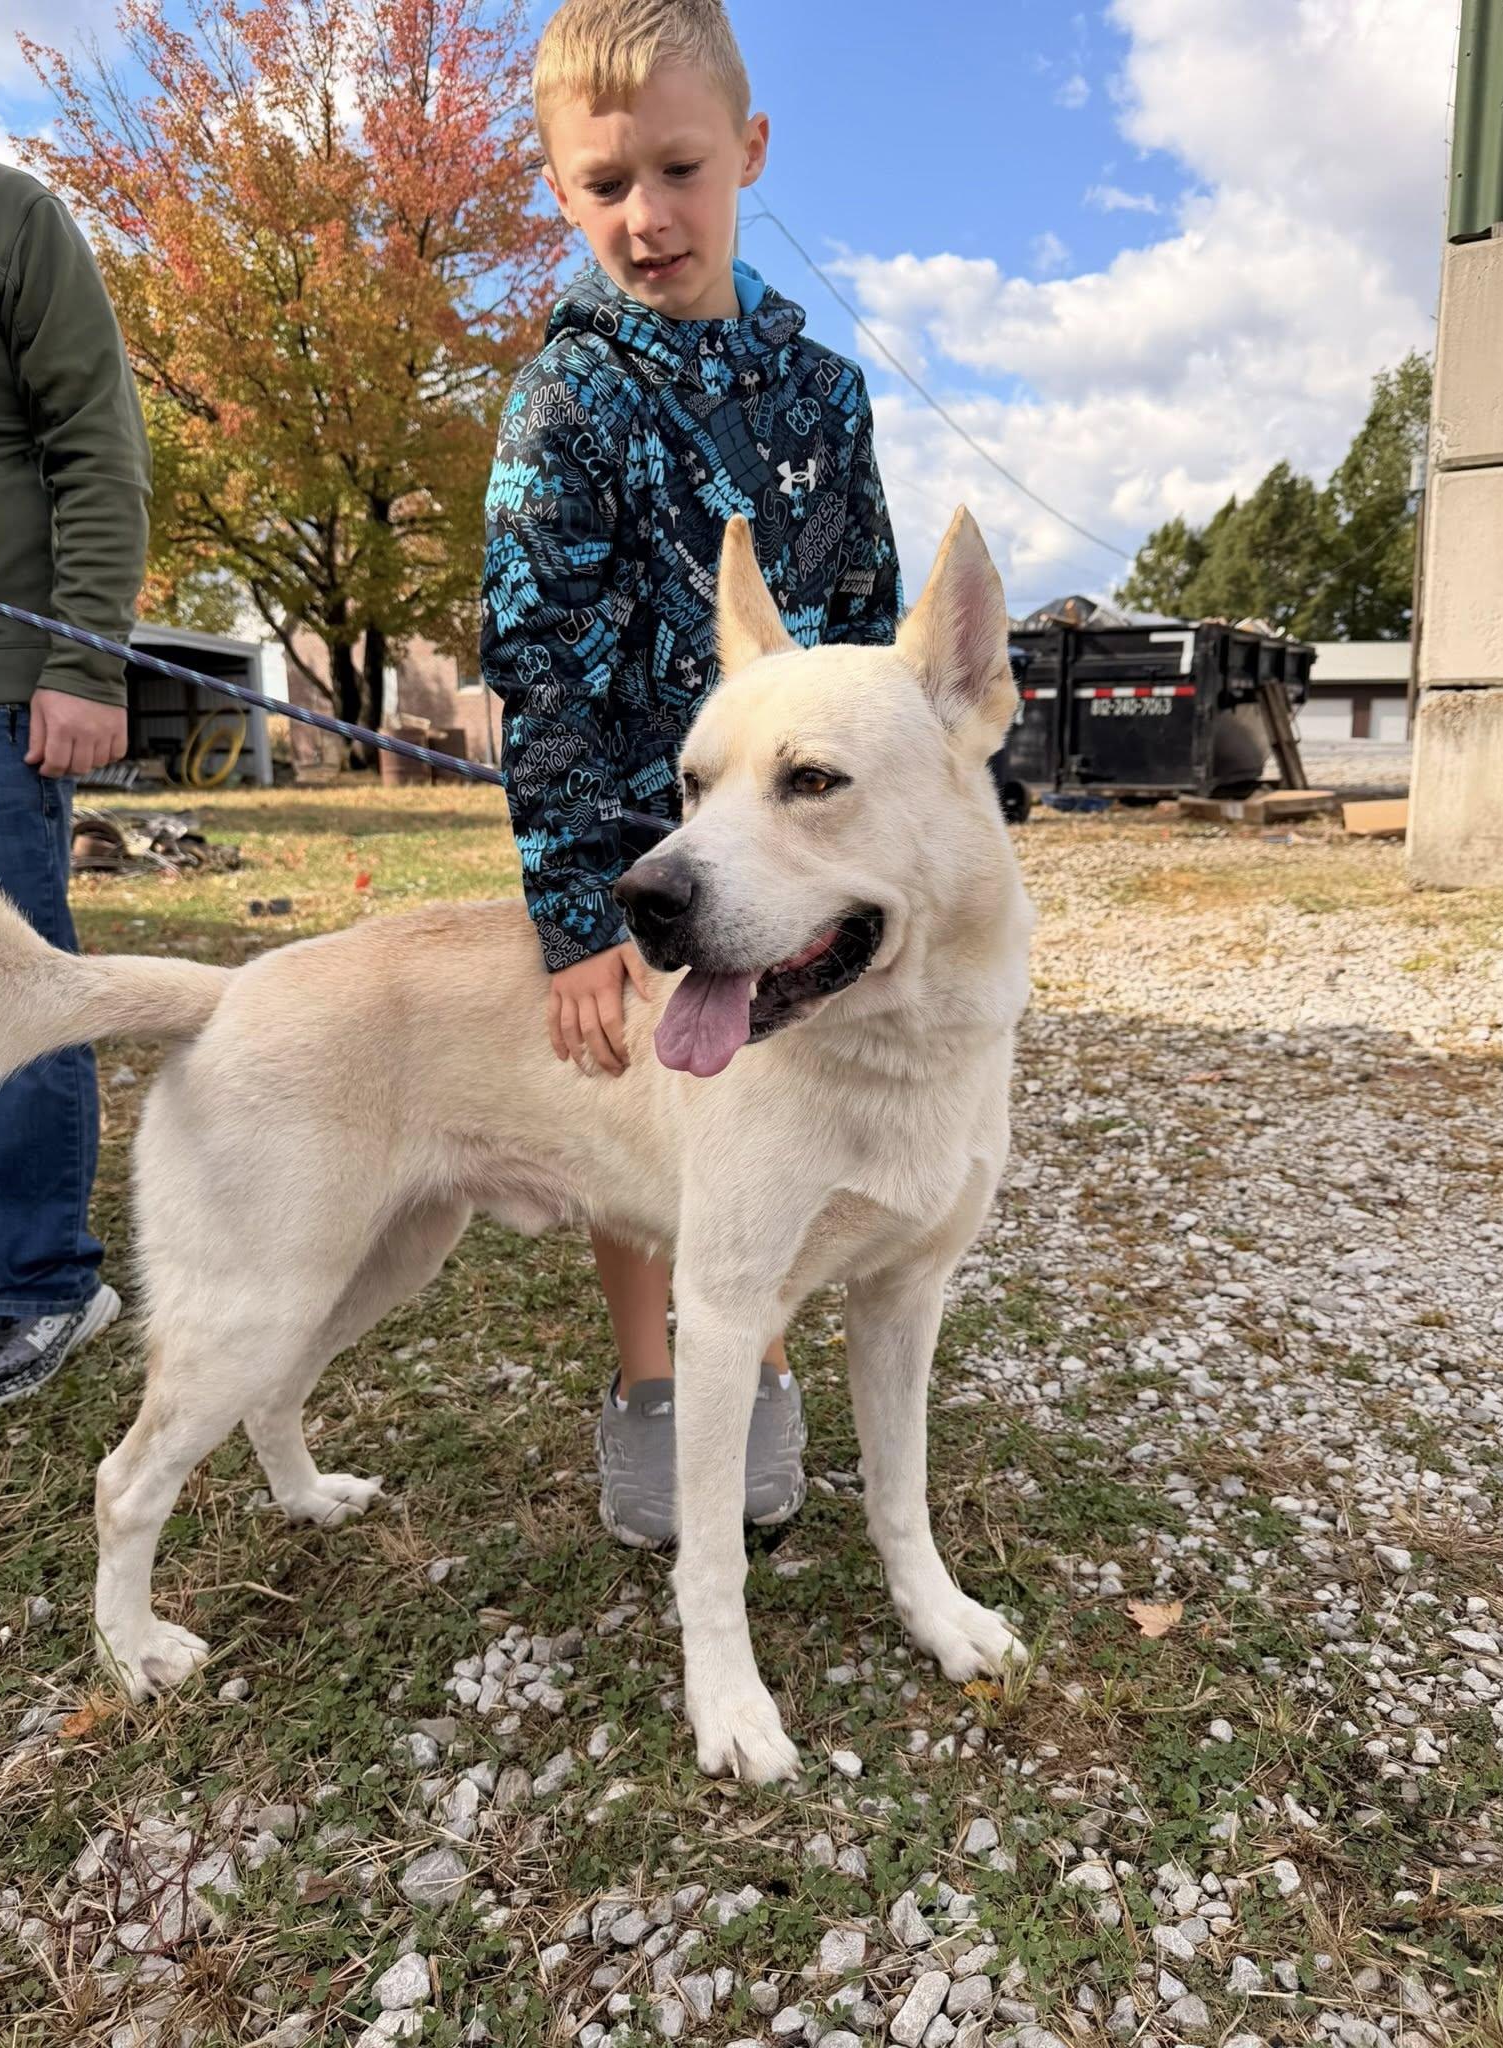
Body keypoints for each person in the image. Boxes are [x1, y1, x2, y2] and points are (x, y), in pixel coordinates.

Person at [480, 0, 902, 1547]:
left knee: (781, 1089)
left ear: (750, 151)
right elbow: (542, 666)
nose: (647, 216)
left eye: (679, 169)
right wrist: (577, 916)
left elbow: (865, 632)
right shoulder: (564, 405)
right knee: (648, 1108)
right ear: (560, 189)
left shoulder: (828, 398)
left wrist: (876, 825)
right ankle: (654, 1377)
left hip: (793, 840)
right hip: (641, 853)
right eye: (605, 185)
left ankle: (759, 1340)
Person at [0, 158, 151, 1406]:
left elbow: (96, 444)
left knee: (13, 981)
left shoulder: (11, 218)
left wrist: (85, 659)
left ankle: (39, 1280)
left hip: (3, 687)